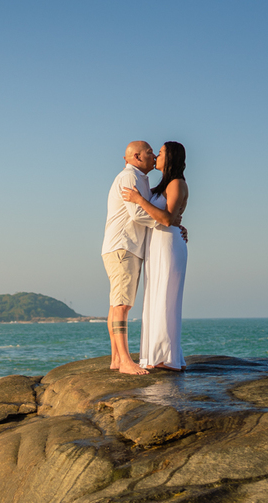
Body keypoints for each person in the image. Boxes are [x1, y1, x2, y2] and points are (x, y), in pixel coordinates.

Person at [122, 141, 188, 371]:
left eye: (160, 153)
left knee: (166, 299)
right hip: (156, 245)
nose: (156, 156)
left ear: (170, 158)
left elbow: (168, 218)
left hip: (169, 245)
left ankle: (167, 357)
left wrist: (139, 200)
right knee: (155, 297)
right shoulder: (163, 184)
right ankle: (156, 355)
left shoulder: (177, 183)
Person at [101, 141, 159, 374]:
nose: (153, 155)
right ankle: (124, 361)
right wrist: (166, 220)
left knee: (117, 304)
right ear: (136, 156)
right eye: (149, 152)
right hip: (123, 247)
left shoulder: (140, 179)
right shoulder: (129, 178)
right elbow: (137, 213)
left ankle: (117, 358)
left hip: (123, 246)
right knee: (122, 305)